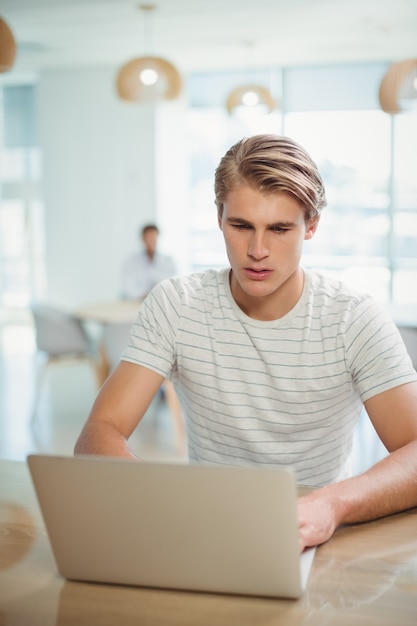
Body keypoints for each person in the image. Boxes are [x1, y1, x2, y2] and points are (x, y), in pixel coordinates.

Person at [75, 134, 417, 552]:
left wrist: (332, 504)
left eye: (279, 229)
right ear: (219, 218)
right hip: (204, 531)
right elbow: (98, 432)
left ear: (311, 226)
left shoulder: (354, 317)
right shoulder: (176, 304)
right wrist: (162, 501)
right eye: (241, 226)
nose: (257, 251)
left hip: (320, 539)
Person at [121, 223, 177, 300]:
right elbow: (128, 289)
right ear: (143, 239)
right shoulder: (131, 262)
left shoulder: (168, 261)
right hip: (136, 303)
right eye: (148, 238)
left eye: (153, 238)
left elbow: (171, 286)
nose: (151, 241)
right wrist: (145, 294)